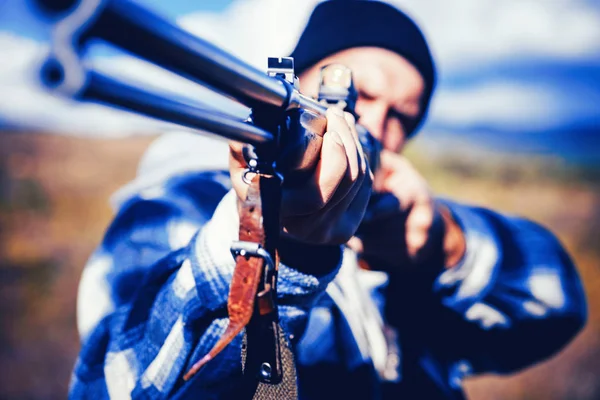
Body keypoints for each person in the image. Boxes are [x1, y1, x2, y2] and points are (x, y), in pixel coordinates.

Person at [69, 1, 587, 399]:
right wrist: (274, 243)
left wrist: (443, 248)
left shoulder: (405, 233)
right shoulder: (179, 206)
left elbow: (556, 303)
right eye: (358, 94)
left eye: (403, 115)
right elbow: (116, 383)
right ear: (303, 86)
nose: (377, 125)